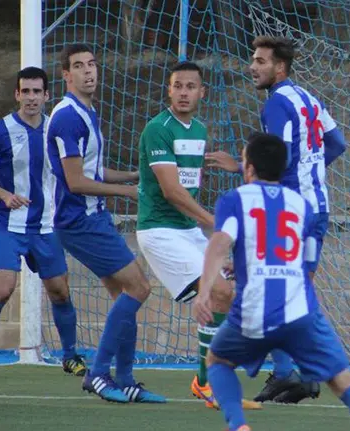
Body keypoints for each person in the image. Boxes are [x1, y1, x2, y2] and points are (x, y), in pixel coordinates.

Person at [193, 131, 350, 431]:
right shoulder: (302, 205)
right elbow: (300, 256)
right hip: (300, 315)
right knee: (343, 382)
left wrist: (204, 290)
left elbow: (219, 243)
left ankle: (238, 425)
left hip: (253, 313)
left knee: (217, 361)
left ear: (248, 168)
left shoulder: (233, 200)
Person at [205, 35, 347, 403]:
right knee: (295, 288)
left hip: (290, 212)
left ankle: (297, 372)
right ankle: (297, 374)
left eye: (261, 61)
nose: (253, 66)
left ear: (279, 67)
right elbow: (338, 144)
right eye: (253, 60)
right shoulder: (308, 98)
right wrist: (309, 172)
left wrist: (239, 166)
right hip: (318, 208)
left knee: (275, 287)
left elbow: (278, 159)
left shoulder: (278, 104)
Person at [134, 61, 260, 410]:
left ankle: (205, 382)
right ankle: (210, 385)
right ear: (169, 90)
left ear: (202, 92)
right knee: (220, 291)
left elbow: (185, 170)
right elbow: (172, 191)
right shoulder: (157, 129)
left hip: (186, 230)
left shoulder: (199, 128)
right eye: (178, 86)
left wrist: (218, 163)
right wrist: (216, 225)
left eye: (191, 86)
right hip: (159, 230)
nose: (184, 92)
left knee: (226, 296)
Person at [46, 43, 164, 403]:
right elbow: (76, 182)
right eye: (79, 66)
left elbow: (92, 171)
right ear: (66, 75)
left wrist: (133, 177)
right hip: (80, 220)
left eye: (92, 64)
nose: (88, 71)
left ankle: (125, 380)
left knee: (122, 295)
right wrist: (127, 194)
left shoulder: (87, 111)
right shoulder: (67, 116)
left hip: (93, 217)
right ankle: (98, 374)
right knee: (139, 289)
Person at [0, 67, 85, 378]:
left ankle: (70, 356)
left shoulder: (57, 129)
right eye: (25, 91)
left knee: (60, 291)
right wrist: (5, 195)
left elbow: (75, 171)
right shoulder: (1, 131)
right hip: (7, 223)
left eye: (36, 91)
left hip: (45, 225)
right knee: (2, 289)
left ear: (46, 95)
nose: (31, 97)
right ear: (16, 94)